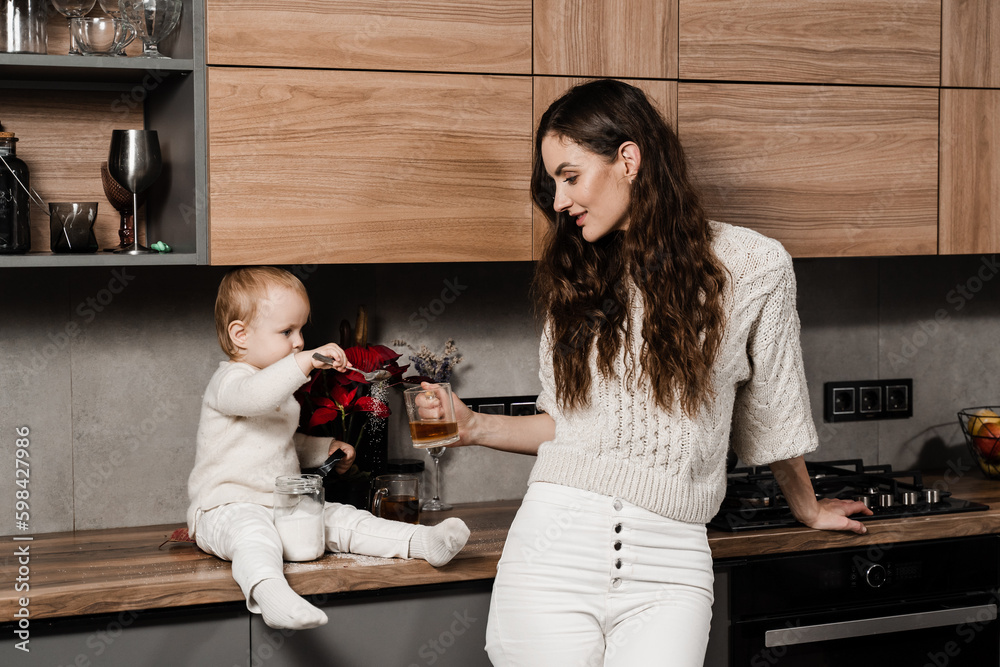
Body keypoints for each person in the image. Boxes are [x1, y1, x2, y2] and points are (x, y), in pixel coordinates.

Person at [447, 79, 873, 666]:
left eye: (569, 177)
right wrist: (473, 427)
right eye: (552, 185)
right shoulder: (575, 278)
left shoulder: (754, 265)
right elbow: (565, 427)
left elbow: (774, 411)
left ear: (628, 158)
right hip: (552, 549)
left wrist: (808, 507)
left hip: (671, 563)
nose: (559, 201)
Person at [187, 266, 470, 631]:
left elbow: (281, 442)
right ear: (240, 335)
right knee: (253, 536)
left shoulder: (279, 392)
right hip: (224, 509)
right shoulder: (228, 382)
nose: (299, 341)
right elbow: (255, 398)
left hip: (281, 505)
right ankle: (270, 594)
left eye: (301, 330)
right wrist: (302, 363)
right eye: (287, 331)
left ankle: (422, 542)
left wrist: (324, 449)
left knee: (342, 519)